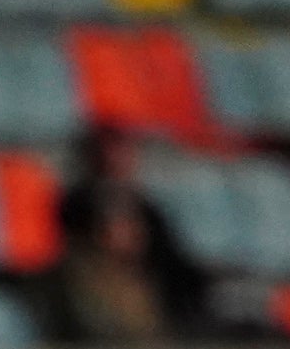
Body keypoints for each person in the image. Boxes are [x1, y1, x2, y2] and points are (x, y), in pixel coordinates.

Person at [51, 126, 210, 332]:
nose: (118, 159)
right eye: (110, 151)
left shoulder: (146, 205)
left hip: (142, 282)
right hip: (98, 278)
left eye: (124, 151)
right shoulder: (78, 201)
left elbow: (170, 256)